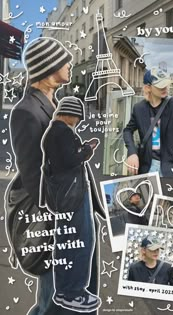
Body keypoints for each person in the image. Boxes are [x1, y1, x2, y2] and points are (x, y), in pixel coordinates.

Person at [8, 37, 101, 315]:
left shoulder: (54, 103)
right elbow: (33, 173)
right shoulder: (26, 112)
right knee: (53, 299)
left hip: (70, 202)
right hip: (55, 214)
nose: (70, 63)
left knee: (64, 290)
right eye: (64, 60)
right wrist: (55, 221)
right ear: (48, 67)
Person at [40, 96, 101, 312]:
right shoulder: (62, 132)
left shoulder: (53, 133)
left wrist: (82, 148)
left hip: (63, 196)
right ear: (68, 113)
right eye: (77, 117)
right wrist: (88, 150)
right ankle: (74, 292)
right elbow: (70, 160)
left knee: (66, 243)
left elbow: (63, 159)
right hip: (73, 195)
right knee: (82, 241)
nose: (78, 121)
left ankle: (64, 291)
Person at [123, 68, 173, 178]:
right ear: (148, 88)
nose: (164, 88)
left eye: (165, 84)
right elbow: (127, 130)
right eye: (160, 86)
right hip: (147, 168)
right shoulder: (139, 108)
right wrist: (132, 152)